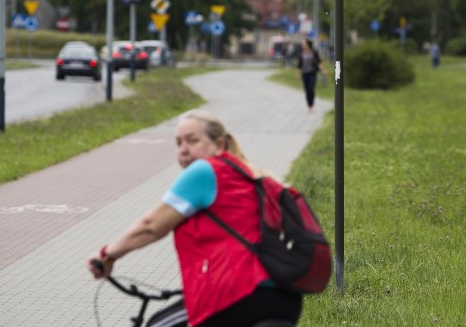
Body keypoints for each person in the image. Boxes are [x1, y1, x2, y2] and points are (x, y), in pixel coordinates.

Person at [86, 109, 303, 327]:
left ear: (218, 145)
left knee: (158, 324)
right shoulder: (250, 174)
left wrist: (107, 254)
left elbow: (151, 226)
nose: (184, 150)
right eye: (178, 143)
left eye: (192, 141)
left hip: (240, 293)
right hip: (283, 297)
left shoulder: (206, 170)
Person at [296, 39, 326, 112]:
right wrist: (298, 74)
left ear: (308, 44)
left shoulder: (314, 52)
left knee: (311, 88)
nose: (302, 45)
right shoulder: (301, 53)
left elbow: (318, 62)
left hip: (312, 73)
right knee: (307, 90)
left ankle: (312, 104)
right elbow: (299, 65)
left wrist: (322, 70)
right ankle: (309, 105)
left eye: (304, 44)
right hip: (305, 73)